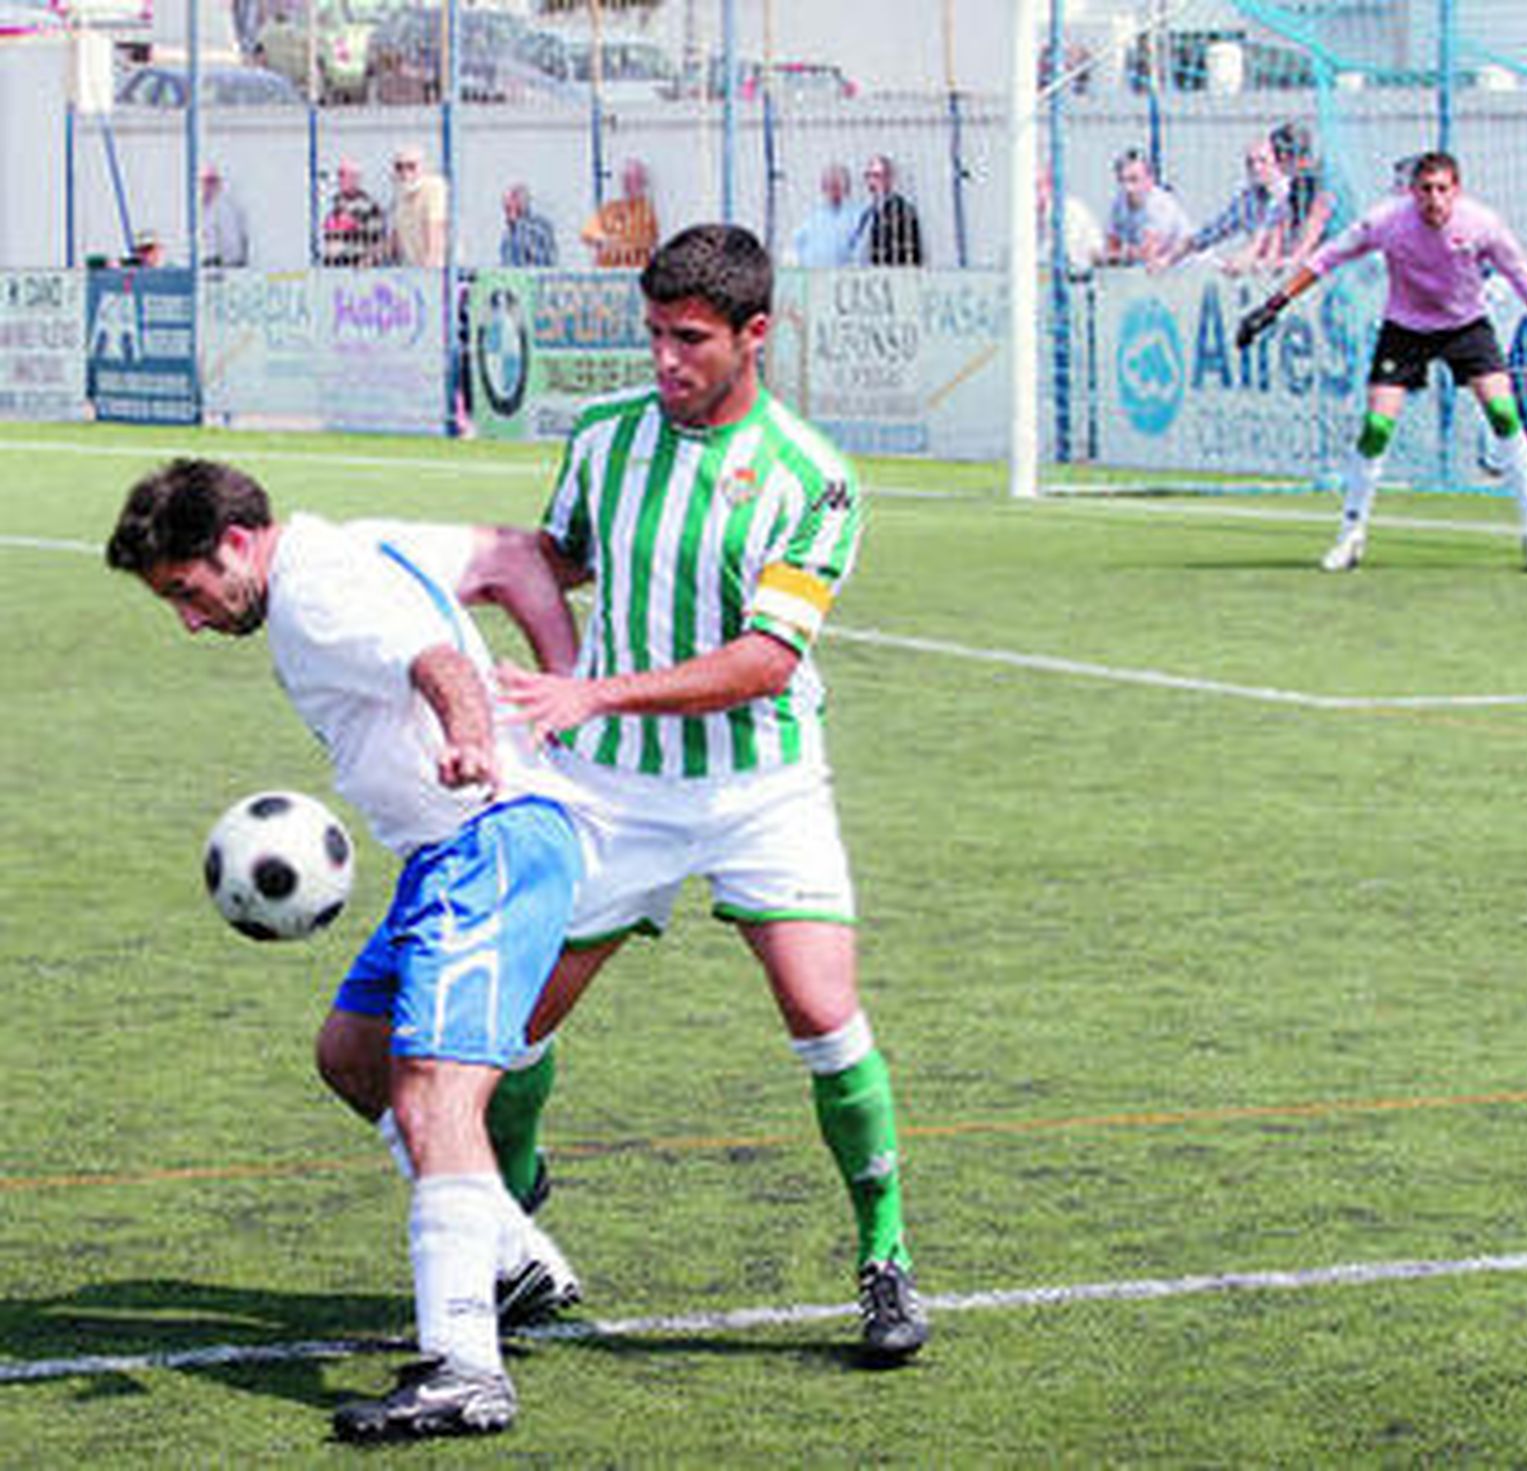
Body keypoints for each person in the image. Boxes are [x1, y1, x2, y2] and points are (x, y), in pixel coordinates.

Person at [489, 223, 930, 1366]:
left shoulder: (810, 476)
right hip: (612, 790)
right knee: (517, 1020)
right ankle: (513, 1203)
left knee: (824, 1015)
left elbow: (767, 659)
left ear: (754, 335)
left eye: (689, 339)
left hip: (759, 782)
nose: (665, 359)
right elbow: (562, 554)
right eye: (654, 334)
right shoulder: (604, 438)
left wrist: (596, 692)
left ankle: (884, 1256)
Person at [104, 464, 588, 1442]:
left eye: (185, 593)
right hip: (442, 854)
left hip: (486, 839)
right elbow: (509, 555)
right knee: (353, 1054)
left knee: (432, 1093)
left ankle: (463, 1366)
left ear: (234, 544)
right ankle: (513, 1253)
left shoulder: (316, 593)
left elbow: (438, 666)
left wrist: (472, 742)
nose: (190, 622)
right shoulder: (344, 540)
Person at [1236, 149, 1527, 573]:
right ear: (1412, 192)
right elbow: (1327, 257)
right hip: (1405, 329)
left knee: (1504, 414)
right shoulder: (1387, 221)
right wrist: (1272, 306)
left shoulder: (1482, 224)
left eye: (1442, 190)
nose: (1434, 199)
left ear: (1457, 190)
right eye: (1426, 190)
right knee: (1377, 426)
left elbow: (1520, 272)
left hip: (1466, 326)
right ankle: (1351, 535)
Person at [1153, 137, 1285, 274]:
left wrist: (1246, 258)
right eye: (1250, 163)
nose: (1256, 168)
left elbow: (1264, 235)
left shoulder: (1287, 193)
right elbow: (1211, 233)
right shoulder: (1249, 200)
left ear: (1280, 163)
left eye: (1263, 161)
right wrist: (1168, 259)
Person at [1255, 121, 1337, 274]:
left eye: (1276, 157)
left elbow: (1317, 221)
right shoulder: (1291, 184)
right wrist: (1272, 254)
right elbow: (1281, 222)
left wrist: (1298, 257)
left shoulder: (1321, 180)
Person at [1095, 148, 1191, 268]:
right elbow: (1111, 247)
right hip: (1158, 274)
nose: (1127, 188)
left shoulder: (1159, 204)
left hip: (1188, 270)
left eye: (1134, 180)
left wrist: (1117, 255)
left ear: (1149, 180)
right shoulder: (1119, 203)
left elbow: (1148, 253)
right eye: (1122, 180)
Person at [579, 157, 658, 269]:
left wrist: (618, 244)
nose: (630, 185)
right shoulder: (610, 208)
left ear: (642, 183)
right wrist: (604, 239)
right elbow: (588, 233)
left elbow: (648, 241)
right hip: (609, 274)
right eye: (627, 180)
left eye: (635, 180)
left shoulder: (646, 212)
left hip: (634, 273)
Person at [855, 153, 923, 266]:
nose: (872, 182)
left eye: (876, 176)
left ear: (889, 178)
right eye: (868, 176)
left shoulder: (902, 210)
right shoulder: (867, 213)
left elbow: (910, 253)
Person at [791, 162, 863, 268]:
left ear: (847, 188)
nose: (833, 191)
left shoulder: (858, 215)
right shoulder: (813, 217)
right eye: (828, 186)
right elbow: (798, 246)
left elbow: (860, 253)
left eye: (837, 185)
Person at [321, 159, 388, 268]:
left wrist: (345, 250)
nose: (339, 179)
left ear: (356, 179)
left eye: (343, 175)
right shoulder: (334, 204)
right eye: (339, 174)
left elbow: (376, 245)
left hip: (355, 271)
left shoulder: (369, 207)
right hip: (332, 270)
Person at [390, 143, 448, 268]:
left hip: (439, 271)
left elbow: (435, 228)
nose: (405, 172)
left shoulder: (433, 186)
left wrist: (429, 272)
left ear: (422, 167)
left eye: (411, 166)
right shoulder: (400, 194)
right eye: (399, 167)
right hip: (413, 269)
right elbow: (394, 239)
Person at [200, 163, 250, 269]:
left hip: (228, 266)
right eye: (205, 181)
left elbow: (233, 242)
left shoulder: (225, 207)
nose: (208, 186)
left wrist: (217, 260)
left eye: (212, 181)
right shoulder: (206, 205)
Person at [500, 183, 558, 268]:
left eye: (512, 205)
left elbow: (541, 260)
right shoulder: (508, 234)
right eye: (507, 207)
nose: (508, 211)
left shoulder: (537, 227)